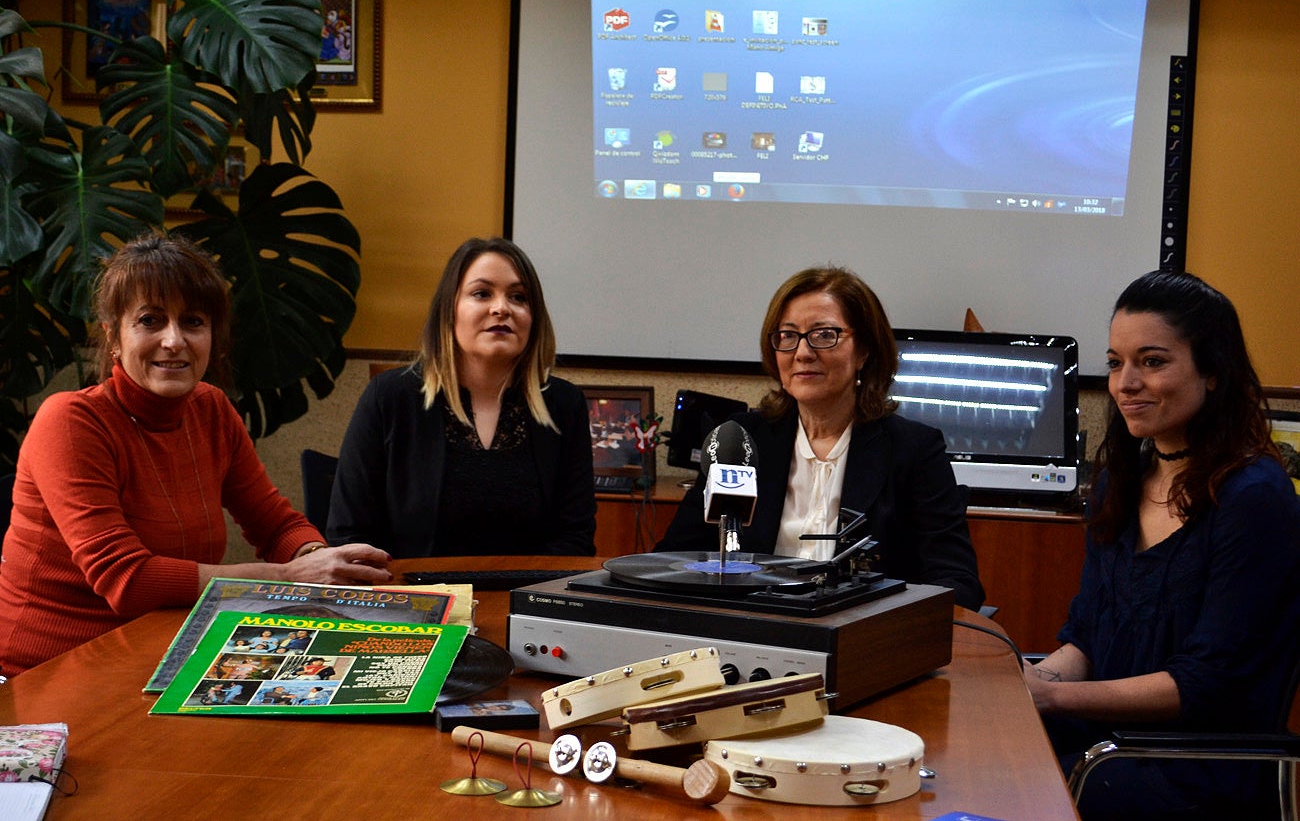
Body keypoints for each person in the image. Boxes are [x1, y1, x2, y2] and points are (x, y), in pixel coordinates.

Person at [0, 235, 392, 678]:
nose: (174, 340)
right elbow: (127, 581)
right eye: (150, 320)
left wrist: (322, 562)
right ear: (113, 336)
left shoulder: (211, 409)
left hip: (159, 655)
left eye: (192, 322)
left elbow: (275, 523)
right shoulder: (70, 421)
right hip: (44, 675)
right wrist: (291, 576)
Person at [1023, 271, 1300, 820]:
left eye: (1152, 361)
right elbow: (1086, 638)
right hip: (1110, 747)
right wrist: (1024, 683)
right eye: (1116, 362)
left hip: (1198, 766)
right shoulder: (1118, 482)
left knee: (1021, 788)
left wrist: (1051, 698)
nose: (1125, 384)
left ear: (1213, 372)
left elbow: (1203, 685)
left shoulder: (1255, 498)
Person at [655, 266, 985, 610]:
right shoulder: (739, 441)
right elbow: (672, 561)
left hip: (864, 640)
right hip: (750, 626)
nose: (802, 352)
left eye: (824, 335)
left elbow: (956, 583)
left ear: (864, 351)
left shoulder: (913, 450)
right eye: (787, 335)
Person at [326, 237, 597, 556]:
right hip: (412, 597)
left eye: (518, 297)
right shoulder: (390, 397)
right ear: (448, 310)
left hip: (524, 598)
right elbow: (348, 535)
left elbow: (575, 538)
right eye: (482, 293)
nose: (501, 308)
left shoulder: (564, 404)